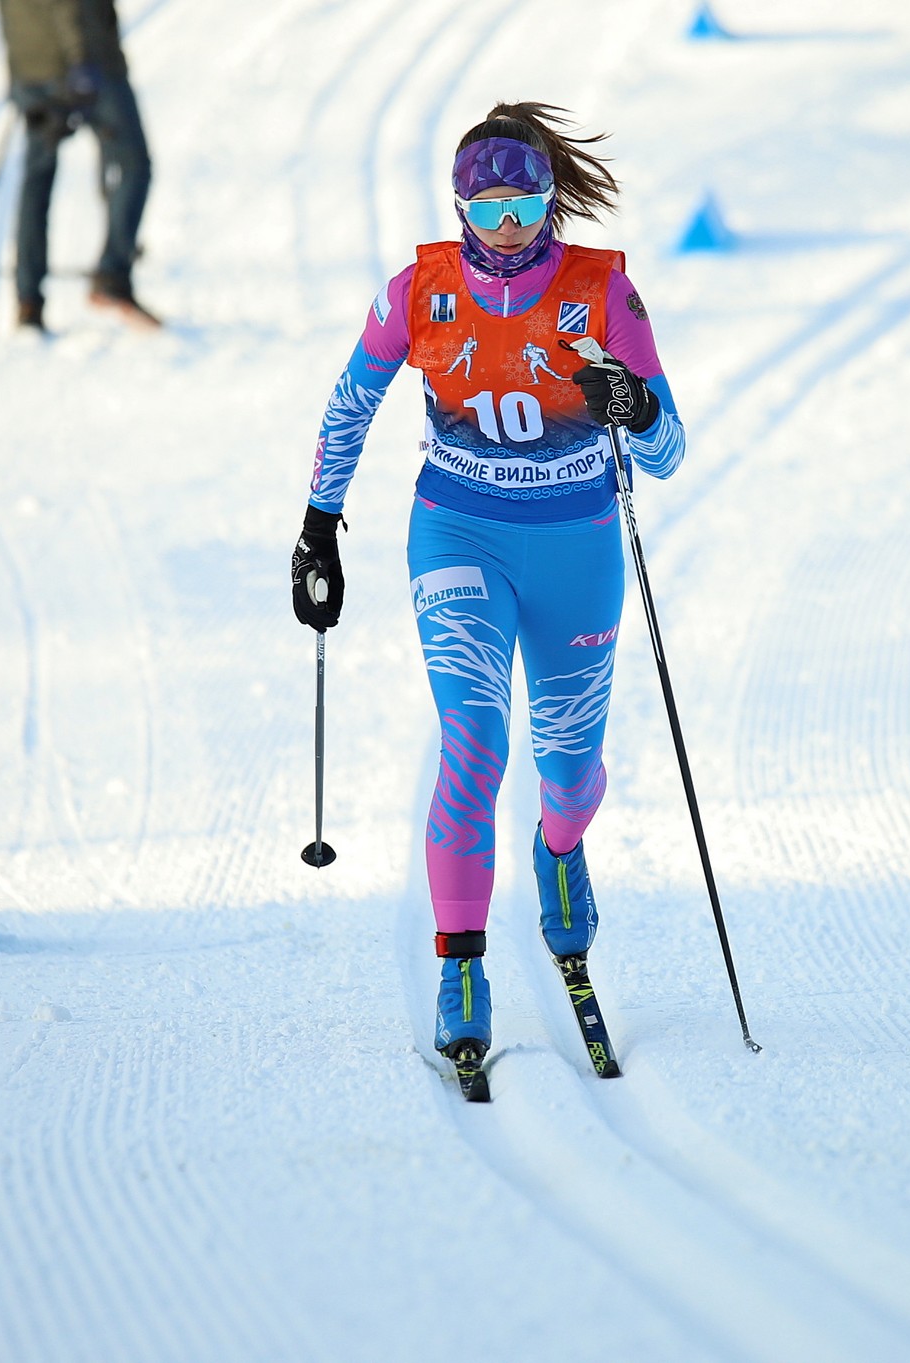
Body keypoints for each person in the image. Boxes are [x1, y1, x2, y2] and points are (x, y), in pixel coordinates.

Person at [290, 102, 688, 1087]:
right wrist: (316, 525)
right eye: (489, 204)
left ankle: (560, 851)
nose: (509, 223)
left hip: (577, 545)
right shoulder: (417, 293)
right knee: (472, 737)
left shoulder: (602, 294)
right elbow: (350, 404)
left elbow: (670, 450)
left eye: (527, 202)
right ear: (460, 203)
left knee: (566, 775)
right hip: (458, 534)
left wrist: (631, 408)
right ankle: (459, 969)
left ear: (551, 198)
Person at [0, 0, 158, 331]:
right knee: (134, 163)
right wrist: (80, 60)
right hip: (85, 64)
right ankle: (112, 274)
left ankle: (28, 300)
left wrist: (17, 74)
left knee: (37, 179)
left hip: (32, 69)